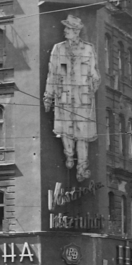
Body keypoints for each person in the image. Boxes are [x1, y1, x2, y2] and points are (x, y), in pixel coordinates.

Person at [43, 14, 100, 180]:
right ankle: (69, 155)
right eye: (65, 28)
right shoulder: (58, 49)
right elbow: (52, 74)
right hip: (64, 97)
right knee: (65, 131)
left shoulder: (88, 49)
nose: (65, 31)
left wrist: (92, 85)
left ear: (76, 31)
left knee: (82, 135)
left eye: (68, 28)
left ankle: (82, 167)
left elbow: (94, 73)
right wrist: (48, 96)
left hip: (83, 98)